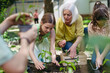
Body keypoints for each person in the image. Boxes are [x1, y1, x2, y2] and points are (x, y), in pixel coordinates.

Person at [88, 1, 110, 68]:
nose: (102, 24)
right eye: (100, 22)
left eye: (104, 21)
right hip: (100, 46)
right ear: (95, 19)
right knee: (94, 62)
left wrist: (101, 57)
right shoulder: (91, 26)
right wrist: (98, 55)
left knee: (108, 62)